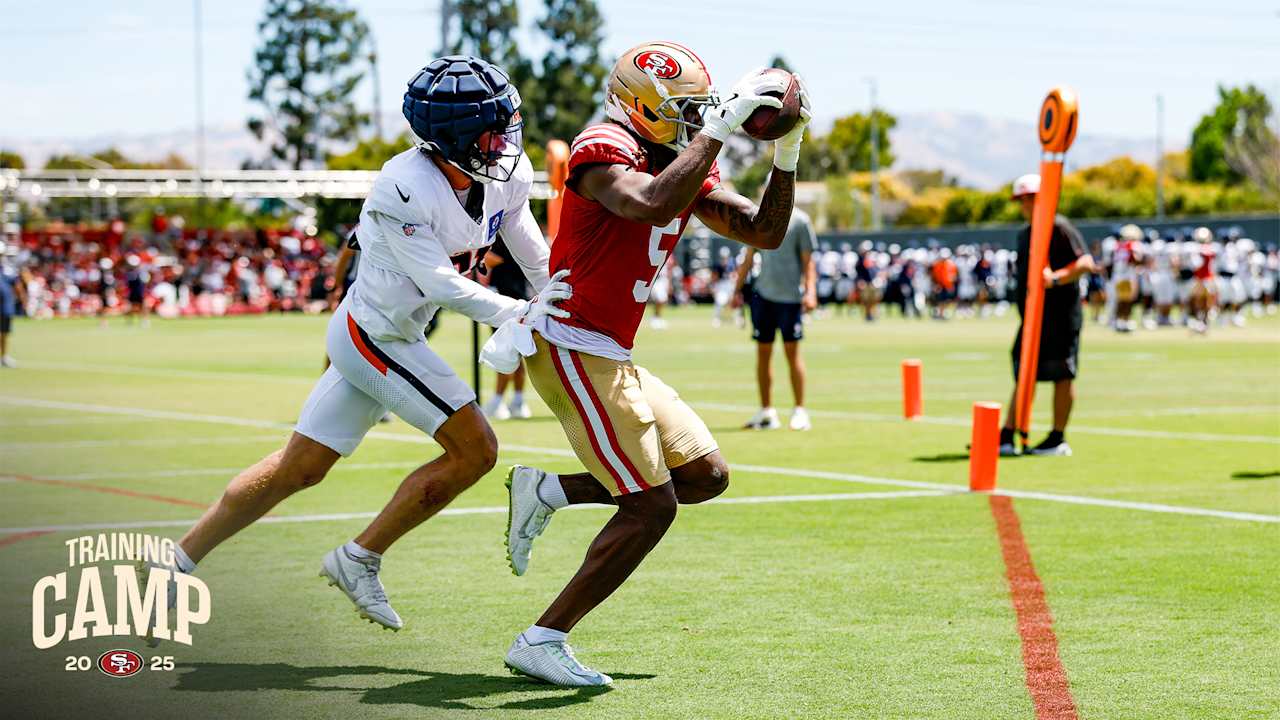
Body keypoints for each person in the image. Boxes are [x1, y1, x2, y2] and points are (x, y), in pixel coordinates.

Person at [147, 56, 568, 634]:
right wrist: (522, 312)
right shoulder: (404, 185)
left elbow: (528, 245)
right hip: (374, 335)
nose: (506, 142)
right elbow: (441, 285)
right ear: (454, 137)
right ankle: (360, 557)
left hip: (390, 330)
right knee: (475, 450)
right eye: (494, 130)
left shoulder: (504, 173)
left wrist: (559, 296)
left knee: (298, 469)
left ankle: (175, 563)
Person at [499, 43, 810, 686]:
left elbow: (764, 232)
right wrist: (719, 131)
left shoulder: (678, 158)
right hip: (570, 342)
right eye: (685, 110)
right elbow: (648, 205)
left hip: (609, 351)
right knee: (651, 507)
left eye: (703, 110)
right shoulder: (603, 146)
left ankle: (550, 490)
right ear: (640, 105)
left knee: (704, 475)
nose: (697, 120)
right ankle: (542, 638)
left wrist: (787, 153)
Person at [999, 173, 1095, 457]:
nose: (1026, 205)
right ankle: (1008, 434)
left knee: (1063, 373)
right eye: (1022, 200)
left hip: (1061, 316)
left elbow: (1085, 263)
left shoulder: (1059, 226)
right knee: (1024, 372)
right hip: (1032, 318)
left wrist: (1055, 278)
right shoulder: (1025, 233)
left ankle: (1057, 438)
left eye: (1031, 199)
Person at [733, 208, 817, 431]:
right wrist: (736, 289)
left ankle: (800, 410)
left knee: (792, 353)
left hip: (790, 297)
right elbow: (749, 258)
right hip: (762, 296)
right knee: (763, 353)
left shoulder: (800, 220)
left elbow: (808, 261)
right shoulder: (759, 216)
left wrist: (811, 292)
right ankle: (766, 412)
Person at [481, 237, 534, 419]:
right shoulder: (520, 240)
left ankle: (498, 402)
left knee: (504, 353)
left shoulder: (504, 237)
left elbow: (491, 259)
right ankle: (518, 402)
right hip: (518, 299)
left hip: (506, 301)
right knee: (516, 354)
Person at [0, 238, 28, 367]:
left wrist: (23, 299)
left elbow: (17, 285)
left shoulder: (8, 269)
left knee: (4, 333)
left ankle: (4, 357)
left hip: (5, 307)